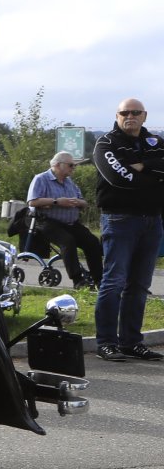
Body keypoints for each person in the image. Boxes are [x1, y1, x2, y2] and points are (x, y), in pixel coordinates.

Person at [91, 98, 164, 362]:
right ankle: (106, 342)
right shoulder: (106, 143)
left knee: (140, 285)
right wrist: (154, 174)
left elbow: (138, 172)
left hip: (152, 220)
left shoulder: (156, 141)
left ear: (144, 115)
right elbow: (117, 177)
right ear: (117, 115)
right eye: (124, 112)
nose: (130, 116)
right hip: (120, 219)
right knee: (114, 282)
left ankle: (132, 342)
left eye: (135, 112)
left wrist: (142, 166)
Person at [25, 151, 102, 290]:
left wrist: (78, 203)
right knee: (67, 241)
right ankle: (78, 280)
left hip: (71, 223)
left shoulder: (69, 182)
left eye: (74, 165)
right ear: (57, 165)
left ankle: (99, 279)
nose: (74, 168)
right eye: (71, 165)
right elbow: (32, 202)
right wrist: (56, 201)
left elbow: (83, 202)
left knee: (92, 242)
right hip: (48, 222)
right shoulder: (41, 179)